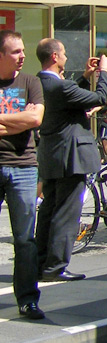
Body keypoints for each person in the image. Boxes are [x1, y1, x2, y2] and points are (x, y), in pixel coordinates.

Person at [35, 39, 107, 281]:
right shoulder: (58, 87)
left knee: (48, 211)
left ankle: (40, 263)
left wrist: (85, 75)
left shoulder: (42, 83)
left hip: (53, 156)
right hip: (71, 157)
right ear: (55, 56)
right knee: (66, 213)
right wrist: (104, 73)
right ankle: (56, 266)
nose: (67, 58)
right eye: (65, 53)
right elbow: (99, 98)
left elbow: (68, 99)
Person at [0, 30, 44, 319]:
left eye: (23, 51)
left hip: (24, 166)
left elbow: (36, 118)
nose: (23, 56)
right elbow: (26, 119)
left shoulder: (31, 82)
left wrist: (5, 121)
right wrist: (20, 121)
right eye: (16, 52)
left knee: (25, 239)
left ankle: (28, 299)